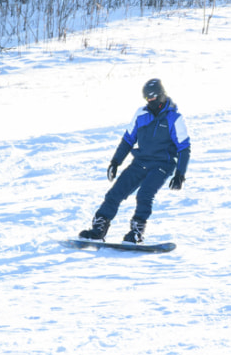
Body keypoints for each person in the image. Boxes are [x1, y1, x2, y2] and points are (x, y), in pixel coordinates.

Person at [79, 78, 191, 243]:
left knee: (144, 194)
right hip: (140, 162)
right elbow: (128, 140)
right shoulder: (141, 114)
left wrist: (179, 174)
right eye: (147, 99)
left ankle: (137, 232)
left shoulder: (174, 118)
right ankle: (98, 229)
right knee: (115, 192)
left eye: (153, 98)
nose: (150, 102)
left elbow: (184, 148)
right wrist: (115, 162)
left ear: (161, 95)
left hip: (162, 164)